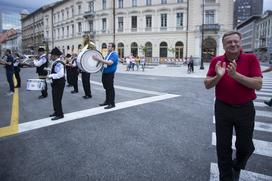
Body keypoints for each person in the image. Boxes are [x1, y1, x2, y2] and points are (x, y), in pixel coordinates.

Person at [204, 31, 262, 181]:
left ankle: (238, 164)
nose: (233, 44)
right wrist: (219, 76)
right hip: (223, 107)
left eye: (236, 41)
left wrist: (235, 75)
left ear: (240, 42)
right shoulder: (217, 61)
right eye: (229, 42)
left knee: (244, 147)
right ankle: (226, 177)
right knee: (223, 146)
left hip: (245, 108)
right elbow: (207, 85)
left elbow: (258, 84)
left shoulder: (251, 59)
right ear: (223, 45)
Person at [93, 42, 118, 109]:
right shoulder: (108, 55)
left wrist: (98, 59)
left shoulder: (114, 55)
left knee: (110, 89)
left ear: (113, 48)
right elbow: (103, 62)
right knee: (106, 88)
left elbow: (110, 63)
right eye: (108, 46)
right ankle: (107, 101)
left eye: (109, 46)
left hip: (109, 74)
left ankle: (112, 103)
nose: (108, 47)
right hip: (105, 73)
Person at [47, 47, 65, 120]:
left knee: (57, 99)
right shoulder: (55, 62)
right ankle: (56, 111)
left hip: (59, 83)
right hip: (56, 83)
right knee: (55, 98)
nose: (51, 56)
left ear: (56, 56)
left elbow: (60, 74)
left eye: (52, 55)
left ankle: (60, 114)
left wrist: (50, 76)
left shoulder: (59, 63)